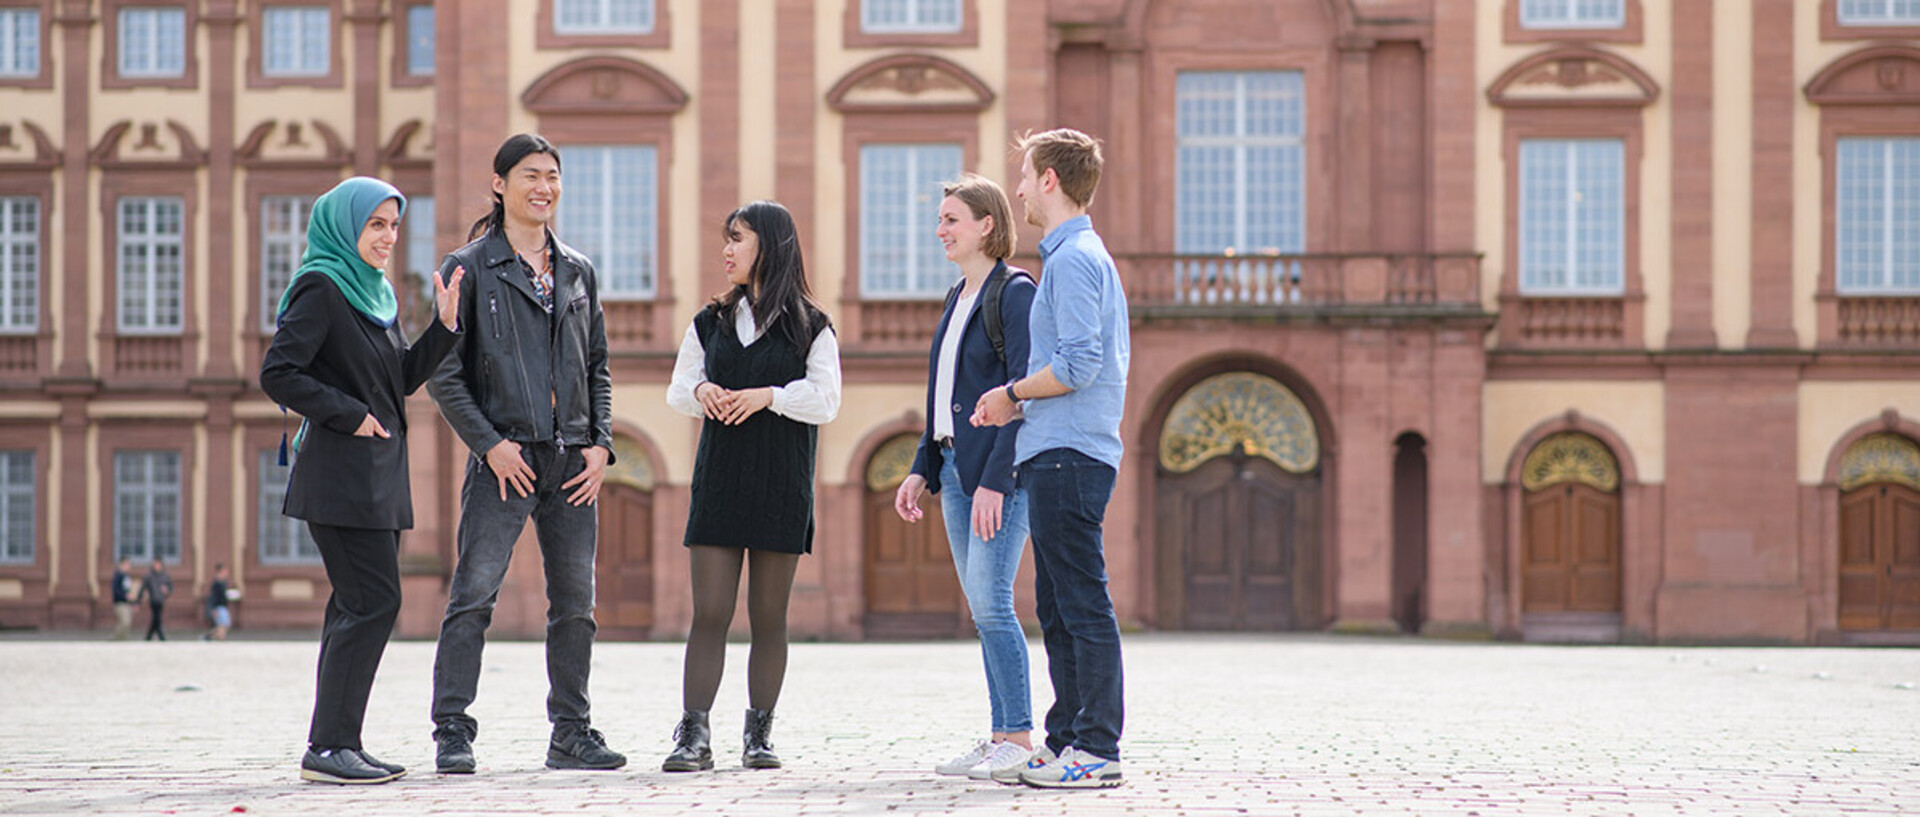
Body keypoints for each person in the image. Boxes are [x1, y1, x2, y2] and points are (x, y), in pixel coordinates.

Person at [426, 133, 625, 775]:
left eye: (553, 176)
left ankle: (571, 731)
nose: (545, 187)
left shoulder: (578, 270)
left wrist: (601, 444)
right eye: (531, 175)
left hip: (571, 461)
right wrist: (491, 446)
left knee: (576, 605)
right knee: (473, 596)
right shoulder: (469, 267)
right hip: (503, 462)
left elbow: (597, 365)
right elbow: (444, 375)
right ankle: (452, 730)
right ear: (500, 184)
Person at [260, 175, 464, 785]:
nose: (387, 237)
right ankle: (328, 747)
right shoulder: (322, 287)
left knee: (358, 604)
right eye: (375, 225)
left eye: (394, 226)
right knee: (376, 601)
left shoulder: (374, 294)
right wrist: (351, 417)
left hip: (376, 478)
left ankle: (336, 743)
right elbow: (279, 372)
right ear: (345, 227)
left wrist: (445, 328)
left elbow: (399, 381)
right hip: (339, 476)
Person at [971, 128, 1129, 789]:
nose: (1017, 188)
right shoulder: (1069, 256)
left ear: (1050, 182)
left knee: (1082, 603)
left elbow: (1078, 364)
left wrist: (1009, 392)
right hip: (1055, 451)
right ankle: (1064, 741)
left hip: (1070, 451)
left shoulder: (1073, 260)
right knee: (1060, 606)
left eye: (1025, 174)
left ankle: (1096, 747)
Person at [661, 200, 840, 772]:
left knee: (769, 617)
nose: (727, 250)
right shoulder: (708, 321)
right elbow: (679, 387)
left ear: (769, 244)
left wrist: (770, 396)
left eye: (737, 238)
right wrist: (702, 394)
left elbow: (826, 401)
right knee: (709, 612)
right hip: (718, 482)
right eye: (726, 239)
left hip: (781, 484)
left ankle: (759, 735)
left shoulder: (812, 325)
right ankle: (693, 736)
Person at [892, 174, 1038, 781]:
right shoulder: (957, 296)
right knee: (982, 607)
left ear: (987, 225)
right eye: (941, 219)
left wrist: (997, 480)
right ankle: (1001, 731)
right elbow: (942, 395)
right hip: (954, 469)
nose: (940, 229)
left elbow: (1026, 393)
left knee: (993, 603)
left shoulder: (1015, 293)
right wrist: (922, 467)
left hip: (994, 475)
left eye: (952, 219)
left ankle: (1021, 737)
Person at [135, 559, 172, 641]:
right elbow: (142, 589)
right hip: (153, 600)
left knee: (156, 618)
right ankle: (160, 636)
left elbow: (170, 587)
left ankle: (149, 636)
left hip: (161, 600)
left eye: (159, 565)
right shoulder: (149, 576)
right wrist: (137, 602)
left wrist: (167, 591)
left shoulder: (165, 576)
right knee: (156, 617)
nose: (157, 567)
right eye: (156, 565)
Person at [203, 562, 233, 642]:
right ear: (221, 571)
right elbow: (213, 597)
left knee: (224, 625)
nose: (227, 572)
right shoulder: (216, 583)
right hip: (218, 607)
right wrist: (213, 609)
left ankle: (209, 637)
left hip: (223, 606)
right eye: (225, 570)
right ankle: (220, 640)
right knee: (222, 626)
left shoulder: (224, 582)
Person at [110, 558, 134, 640]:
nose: (128, 567)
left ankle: (123, 640)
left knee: (128, 623)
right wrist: (124, 596)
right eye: (127, 565)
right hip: (120, 603)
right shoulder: (118, 575)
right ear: (122, 565)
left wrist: (132, 601)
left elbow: (127, 589)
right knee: (125, 622)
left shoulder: (126, 576)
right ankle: (116, 638)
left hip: (126, 603)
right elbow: (115, 589)